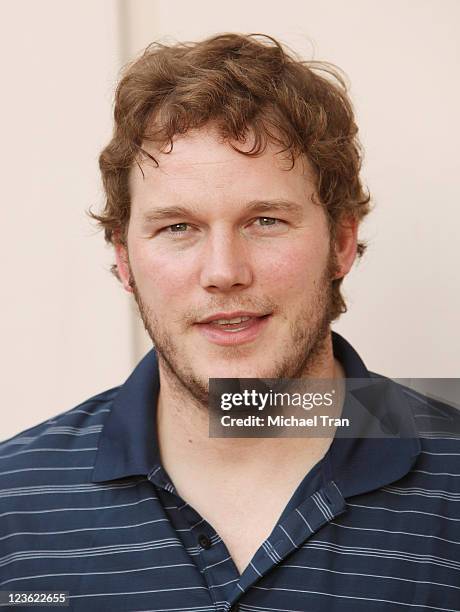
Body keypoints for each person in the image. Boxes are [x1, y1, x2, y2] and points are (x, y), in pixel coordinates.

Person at [0, 33, 459, 612]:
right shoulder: (12, 506)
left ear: (341, 242)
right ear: (124, 260)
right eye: (177, 227)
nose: (223, 272)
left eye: (265, 220)